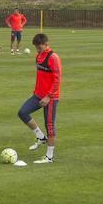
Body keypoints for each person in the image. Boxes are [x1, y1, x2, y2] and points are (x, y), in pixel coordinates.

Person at [16, 33, 61, 164]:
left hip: (50, 98)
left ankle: (49, 157)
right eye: (36, 48)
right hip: (38, 95)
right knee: (22, 112)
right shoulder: (38, 56)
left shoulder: (53, 57)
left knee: (50, 126)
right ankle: (40, 137)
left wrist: (48, 96)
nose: (37, 50)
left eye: (39, 47)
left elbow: (57, 79)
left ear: (46, 44)